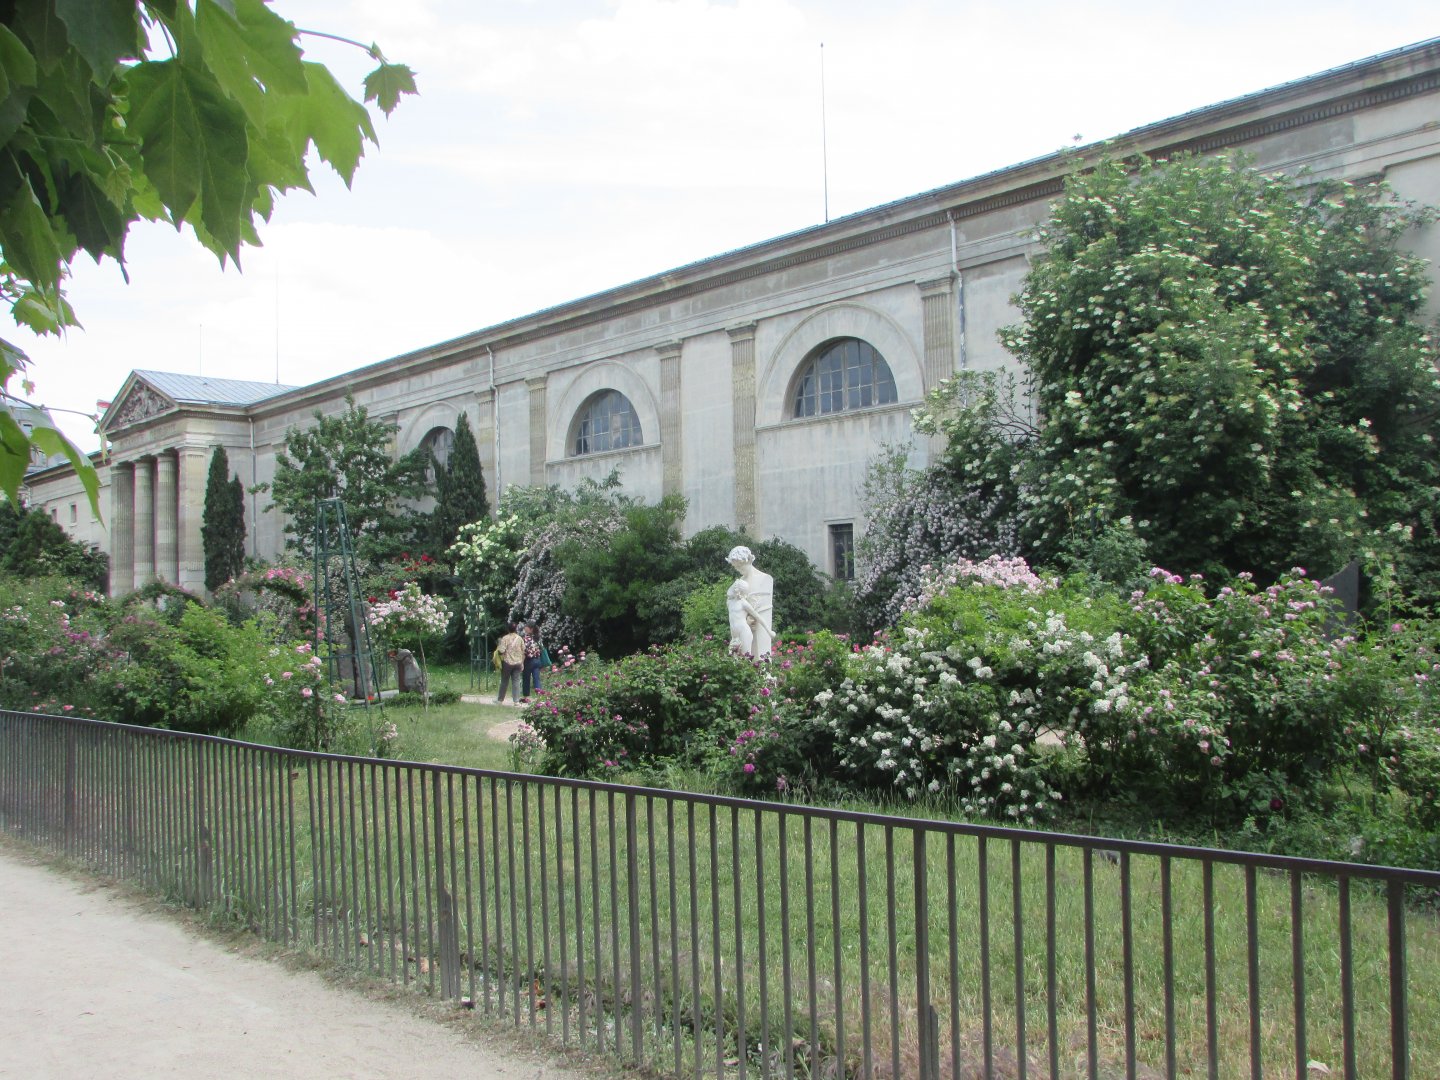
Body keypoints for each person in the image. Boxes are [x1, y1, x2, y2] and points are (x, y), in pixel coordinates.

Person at [726, 545, 774, 656]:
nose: (738, 570)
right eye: (736, 567)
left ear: (748, 561)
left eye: (740, 566)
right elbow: (731, 599)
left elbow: (763, 609)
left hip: (756, 627)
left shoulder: (765, 578)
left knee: (759, 657)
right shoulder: (740, 583)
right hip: (741, 630)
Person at [494, 622, 526, 705]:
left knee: (504, 681)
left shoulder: (505, 638)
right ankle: (516, 701)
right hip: (518, 663)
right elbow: (523, 651)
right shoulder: (520, 638)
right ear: (516, 629)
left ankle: (500, 700)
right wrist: (522, 662)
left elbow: (501, 650)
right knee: (516, 681)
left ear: (508, 629)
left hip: (507, 663)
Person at [520, 621, 545, 701]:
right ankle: (539, 696)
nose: (524, 628)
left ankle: (526, 696)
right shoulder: (538, 638)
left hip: (528, 660)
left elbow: (525, 650)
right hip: (537, 660)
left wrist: (521, 662)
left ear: (530, 629)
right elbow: (541, 648)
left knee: (526, 678)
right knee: (536, 678)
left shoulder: (526, 638)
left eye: (526, 627)